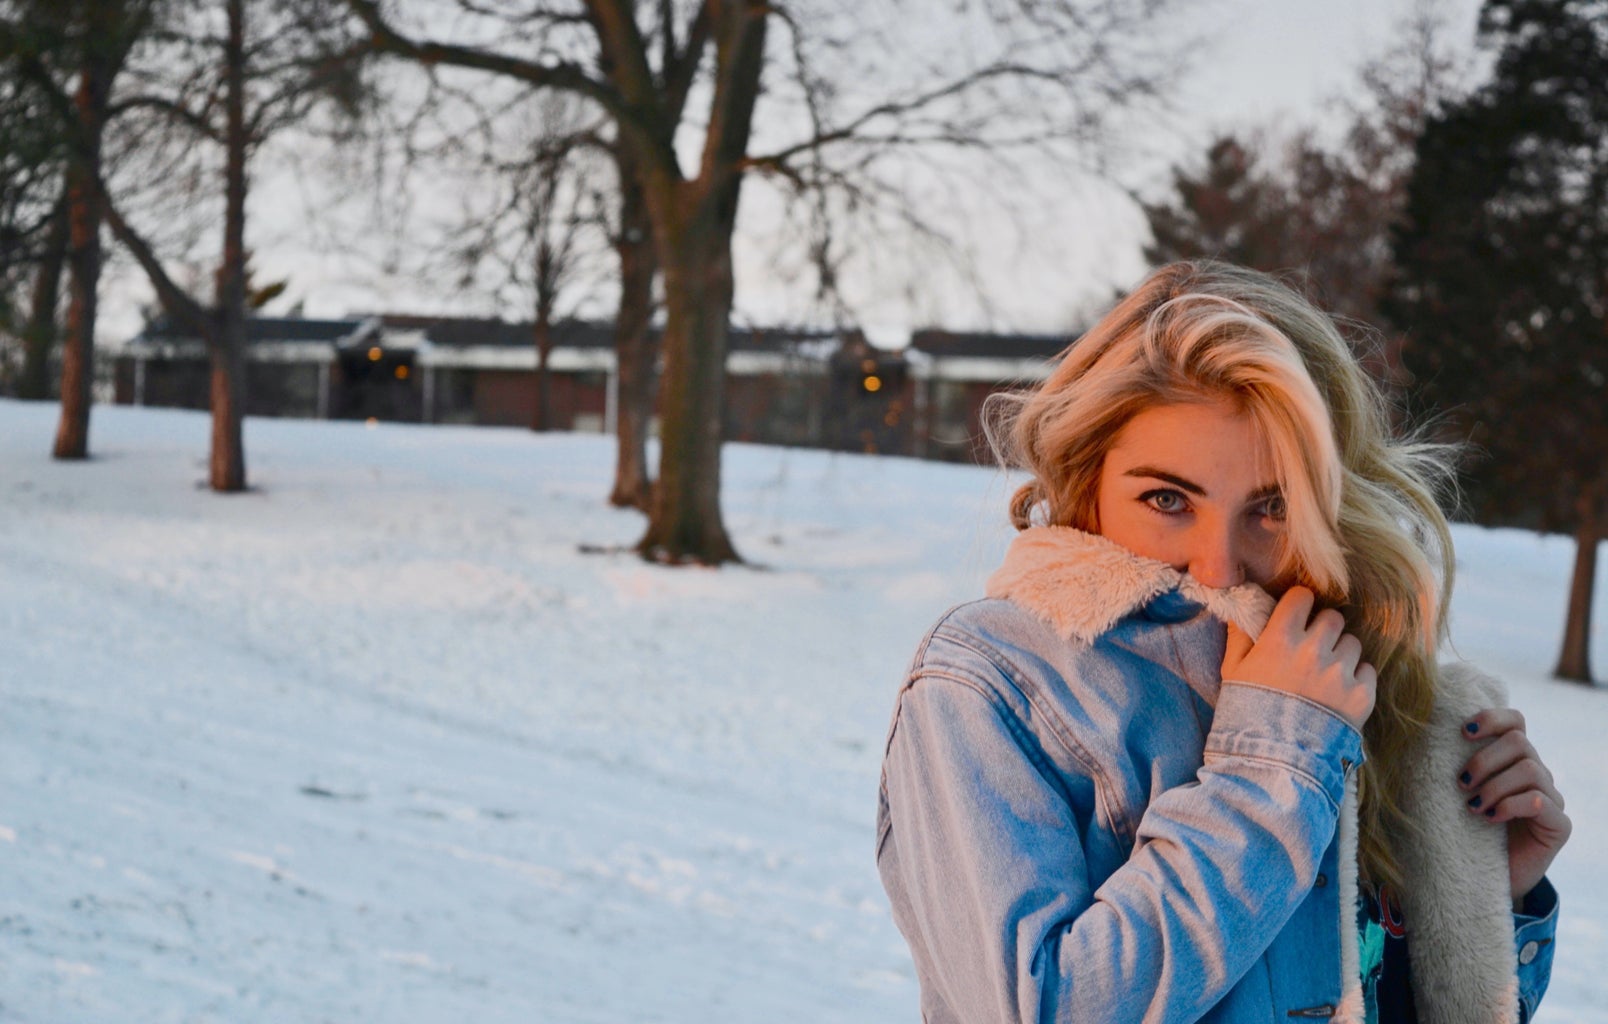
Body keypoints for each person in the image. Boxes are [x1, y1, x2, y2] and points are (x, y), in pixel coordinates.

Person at [875, 261, 1569, 1024]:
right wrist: (1271, 768)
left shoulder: (1364, 678)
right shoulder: (993, 680)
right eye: (1167, 499)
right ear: (1087, 476)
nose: (1219, 565)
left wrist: (1481, 891)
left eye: (1272, 507)